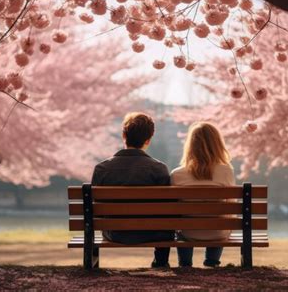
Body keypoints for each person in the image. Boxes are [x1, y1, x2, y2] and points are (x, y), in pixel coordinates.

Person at [91, 112, 174, 268]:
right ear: (149, 139)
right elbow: (166, 209)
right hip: (152, 233)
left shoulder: (102, 168)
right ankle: (161, 261)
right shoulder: (159, 169)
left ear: (124, 135)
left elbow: (97, 210)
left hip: (115, 233)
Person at [171, 122, 235, 268]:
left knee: (181, 224)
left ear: (190, 145)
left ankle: (185, 263)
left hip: (188, 233)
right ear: (217, 144)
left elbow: (174, 212)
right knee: (221, 218)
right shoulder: (226, 171)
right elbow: (230, 207)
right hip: (218, 233)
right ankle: (212, 262)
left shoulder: (177, 174)